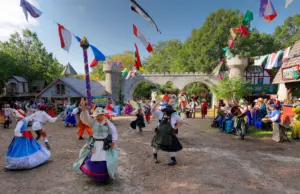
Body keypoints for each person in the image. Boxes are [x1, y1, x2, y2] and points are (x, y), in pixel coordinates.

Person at [73, 99, 118, 182]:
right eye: (98, 114)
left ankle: (106, 174)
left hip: (105, 144)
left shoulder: (107, 122)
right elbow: (85, 118)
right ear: (95, 115)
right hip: (95, 143)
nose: (99, 116)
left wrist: (113, 141)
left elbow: (113, 130)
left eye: (101, 114)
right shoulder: (92, 121)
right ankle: (93, 173)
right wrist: (84, 109)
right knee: (89, 156)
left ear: (103, 114)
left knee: (107, 158)